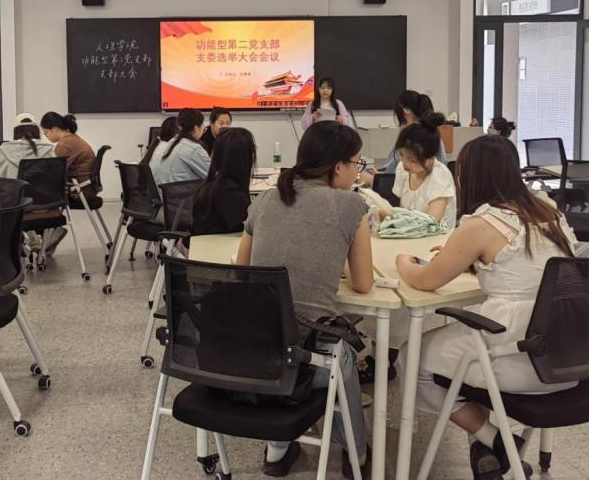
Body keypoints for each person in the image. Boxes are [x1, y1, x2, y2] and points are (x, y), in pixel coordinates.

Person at [396, 135, 576, 478]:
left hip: (520, 355)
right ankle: (486, 446)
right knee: (464, 356)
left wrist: (404, 261)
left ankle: (494, 439)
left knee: (411, 357)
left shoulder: (481, 223)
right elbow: (528, 268)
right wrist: (472, 260)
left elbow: (424, 280)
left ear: (472, 175)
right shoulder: (549, 212)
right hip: (570, 353)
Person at [235, 121, 374, 478]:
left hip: (249, 351)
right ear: (338, 166)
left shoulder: (266, 198)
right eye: (357, 163)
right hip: (308, 358)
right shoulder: (350, 204)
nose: (358, 172)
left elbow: (242, 271)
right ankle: (357, 454)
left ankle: (277, 451)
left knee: (299, 340)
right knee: (342, 353)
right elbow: (363, 284)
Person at [361, 90, 446, 184]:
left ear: (406, 113)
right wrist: (381, 176)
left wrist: (374, 179)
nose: (404, 162)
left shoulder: (412, 140)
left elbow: (399, 181)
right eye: (402, 156)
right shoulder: (432, 135)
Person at [389, 115, 457, 230]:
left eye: (412, 160)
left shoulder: (439, 176)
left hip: (436, 236)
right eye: (401, 155)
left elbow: (431, 222)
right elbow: (402, 213)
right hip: (410, 234)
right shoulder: (403, 170)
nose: (405, 163)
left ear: (429, 158)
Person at [192, 128, 255, 235]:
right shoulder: (229, 193)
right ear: (243, 157)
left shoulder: (217, 184)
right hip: (217, 244)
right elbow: (252, 229)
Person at [40, 112, 97, 198]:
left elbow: (55, 172)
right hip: (86, 186)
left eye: (46, 132)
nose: (45, 136)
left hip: (79, 190)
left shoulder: (65, 144)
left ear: (54, 128)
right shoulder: (71, 138)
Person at [152, 108, 211, 187]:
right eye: (203, 128)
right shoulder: (193, 149)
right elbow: (213, 176)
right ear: (196, 128)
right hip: (183, 194)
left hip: (169, 193)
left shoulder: (172, 142)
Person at [0, 113, 55, 180]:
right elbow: (56, 177)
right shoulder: (48, 150)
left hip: (13, 187)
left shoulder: (5, 151)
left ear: (16, 131)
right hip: (42, 187)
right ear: (36, 130)